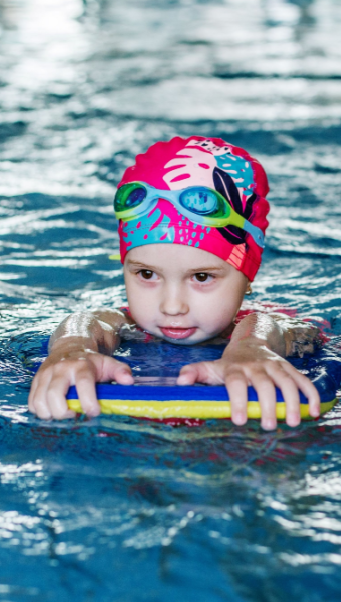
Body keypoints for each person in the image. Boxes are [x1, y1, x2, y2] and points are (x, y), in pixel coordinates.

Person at [28, 136, 323, 431]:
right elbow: (89, 321)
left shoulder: (265, 322)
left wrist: (252, 349)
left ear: (247, 277)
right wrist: (73, 346)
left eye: (202, 277)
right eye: (146, 274)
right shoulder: (127, 323)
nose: (171, 306)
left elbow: (275, 328)